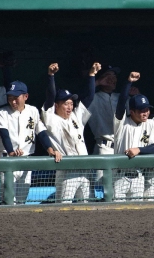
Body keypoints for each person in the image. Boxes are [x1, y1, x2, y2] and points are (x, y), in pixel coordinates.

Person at [0, 80, 60, 204]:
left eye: (16, 97)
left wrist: (50, 150)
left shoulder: (32, 111)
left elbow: (41, 132)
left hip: (25, 160)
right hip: (6, 161)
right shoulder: (1, 113)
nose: (13, 101)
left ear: (25, 96)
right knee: (7, 201)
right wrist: (11, 152)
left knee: (21, 201)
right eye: (10, 97)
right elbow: (4, 135)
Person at [41, 62, 100, 203]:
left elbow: (90, 97)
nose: (70, 106)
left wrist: (92, 75)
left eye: (71, 103)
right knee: (63, 206)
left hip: (85, 169)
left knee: (86, 206)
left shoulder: (76, 116)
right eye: (66, 103)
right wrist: (51, 76)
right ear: (57, 105)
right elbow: (50, 97)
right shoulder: (51, 118)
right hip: (67, 170)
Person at [113, 72, 154, 202]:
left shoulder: (151, 124)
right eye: (141, 110)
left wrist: (138, 149)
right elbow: (121, 103)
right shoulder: (122, 123)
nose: (145, 113)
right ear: (132, 111)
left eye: (147, 109)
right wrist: (128, 83)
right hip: (119, 176)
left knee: (137, 213)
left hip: (139, 176)